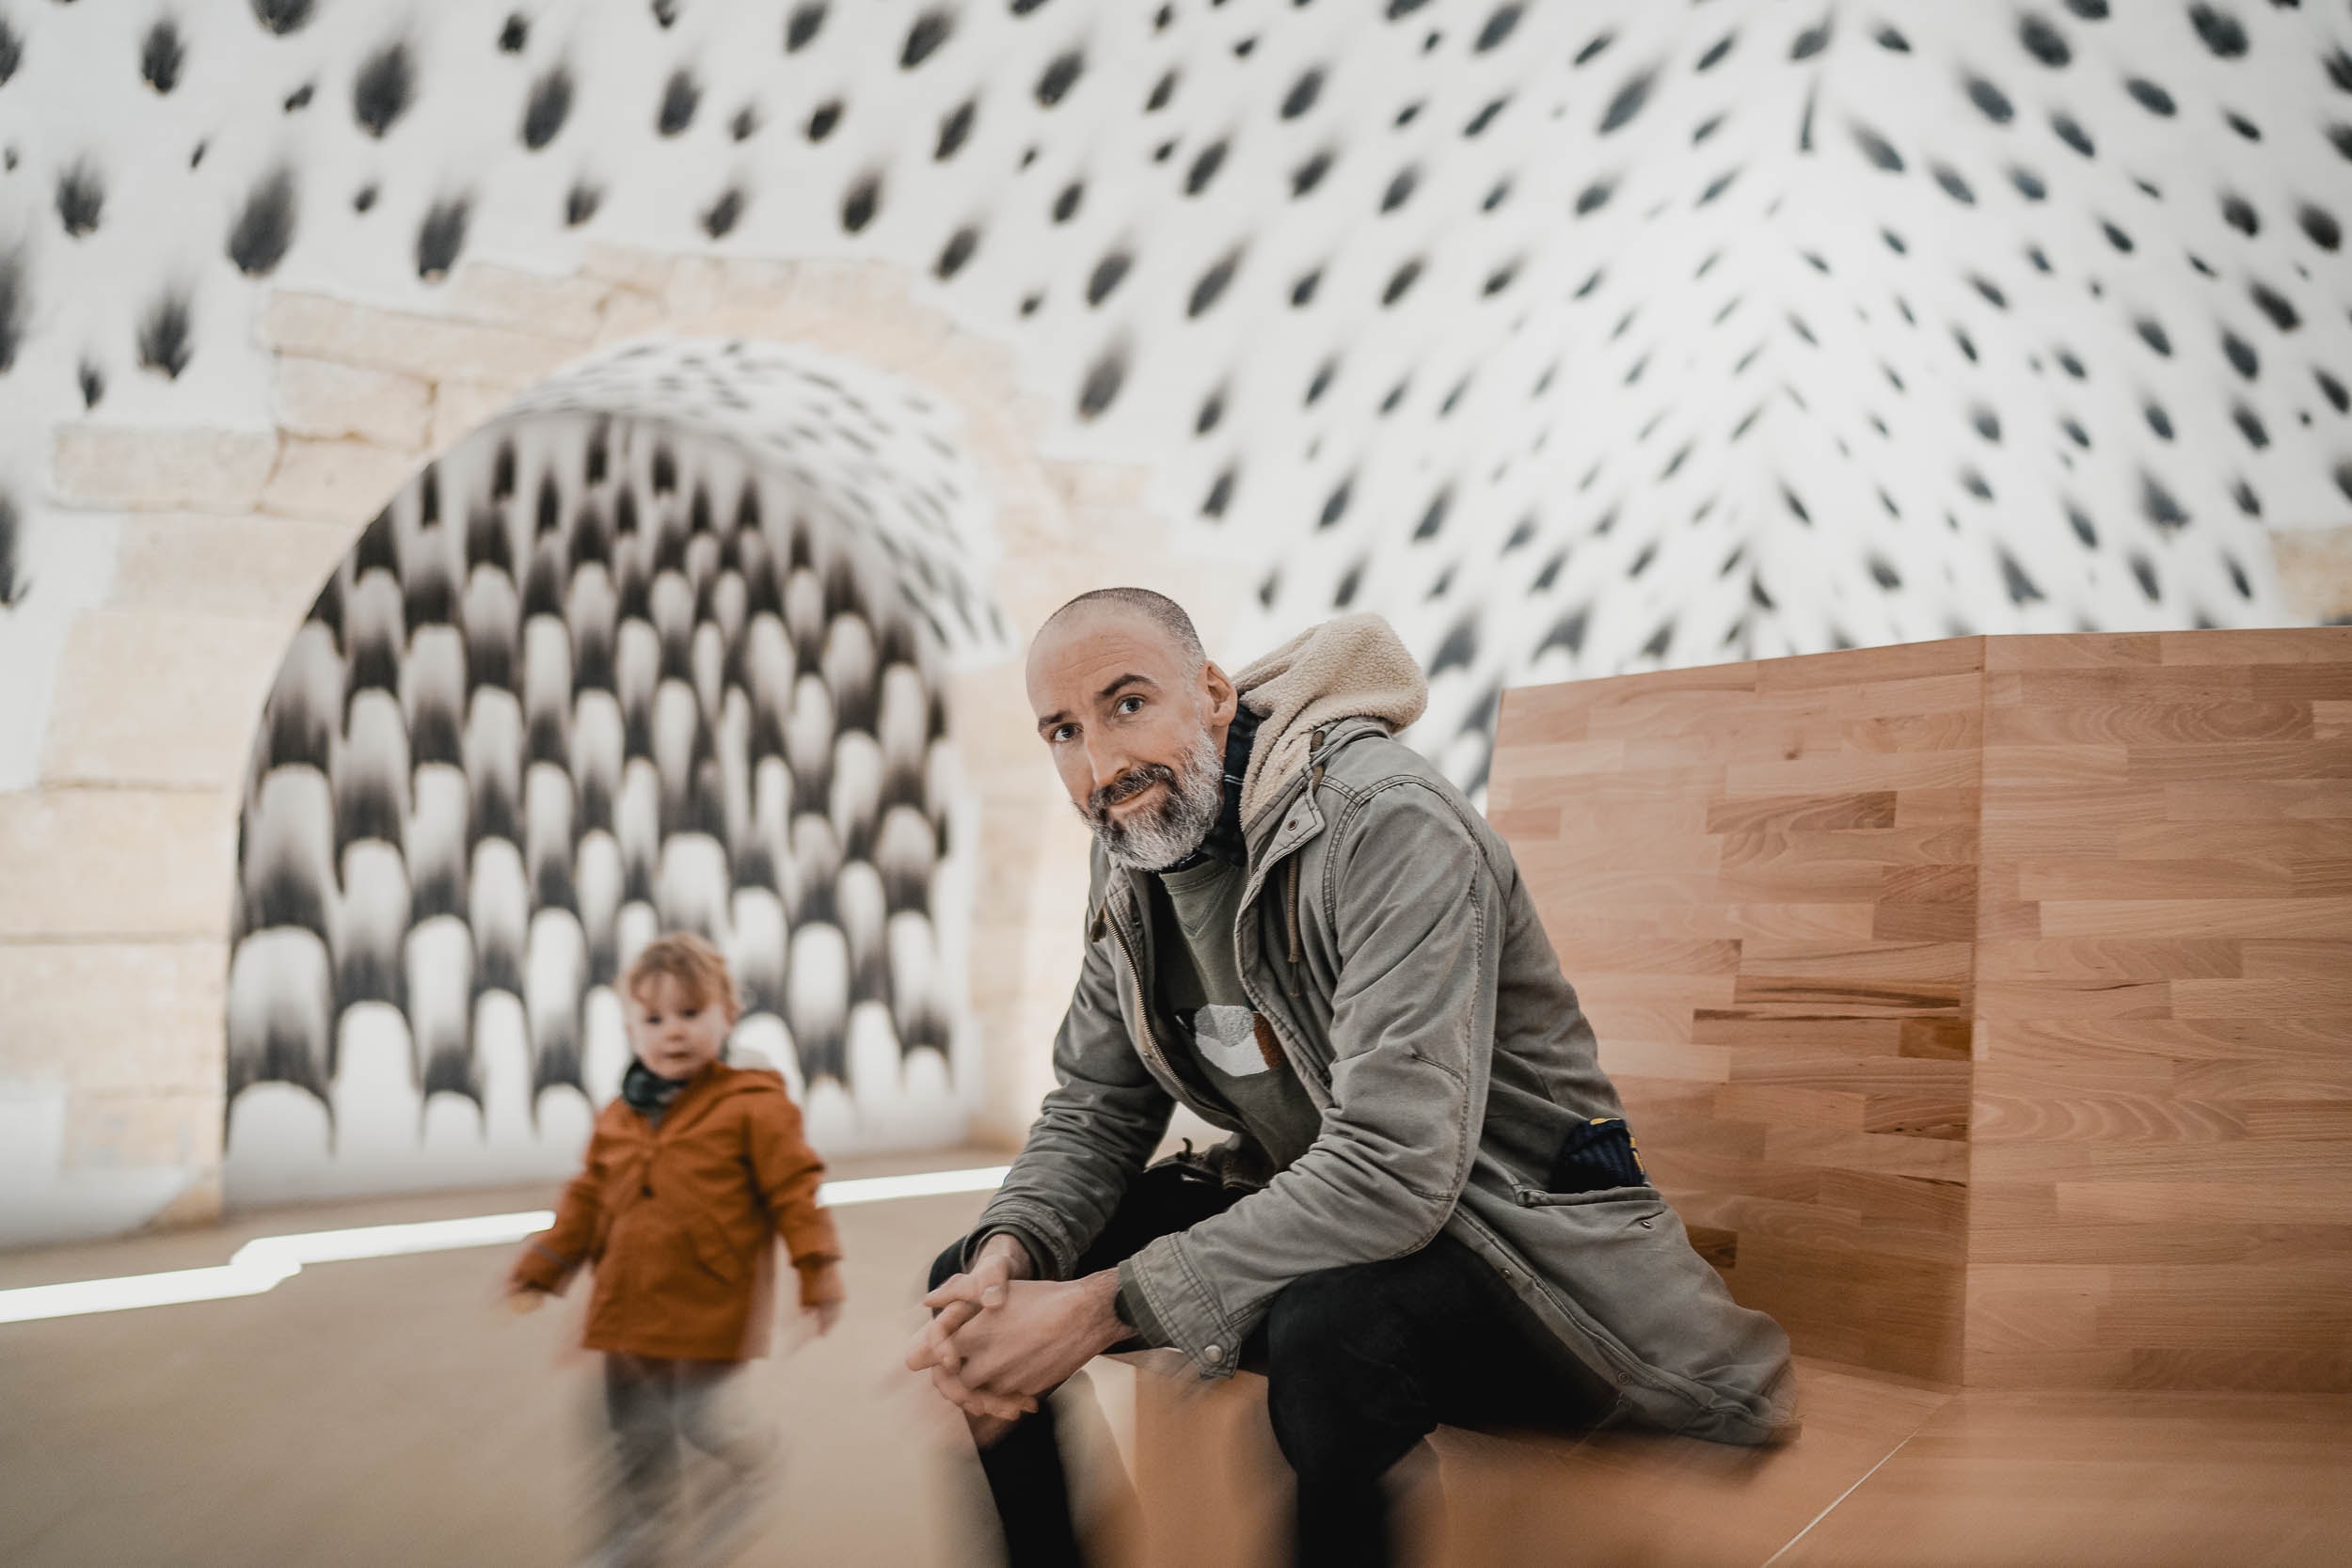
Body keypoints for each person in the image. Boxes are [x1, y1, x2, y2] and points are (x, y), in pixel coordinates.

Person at [906, 592, 1798, 1568]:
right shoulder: (1130, 852)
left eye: (1127, 704)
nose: (1102, 764)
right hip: (1339, 1212)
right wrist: (1012, 1245)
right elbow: (1096, 1107)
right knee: (970, 1284)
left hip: (1507, 1231)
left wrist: (1105, 1302)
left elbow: (1395, 1164)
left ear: (1210, 693)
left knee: (1329, 1332)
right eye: (1064, 731)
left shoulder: (1385, 822)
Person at [507, 931, 846, 1568]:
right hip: (624, 1311)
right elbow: (585, 1200)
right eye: (654, 1018)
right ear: (631, 1028)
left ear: (727, 1016)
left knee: (699, 1423)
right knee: (625, 1439)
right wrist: (543, 1264)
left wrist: (818, 1272)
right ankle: (628, 1548)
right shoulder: (619, 1113)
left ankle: (750, 1461)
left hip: (706, 1308)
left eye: (691, 1014)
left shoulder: (755, 1105)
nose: (673, 1032)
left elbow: (795, 1192)